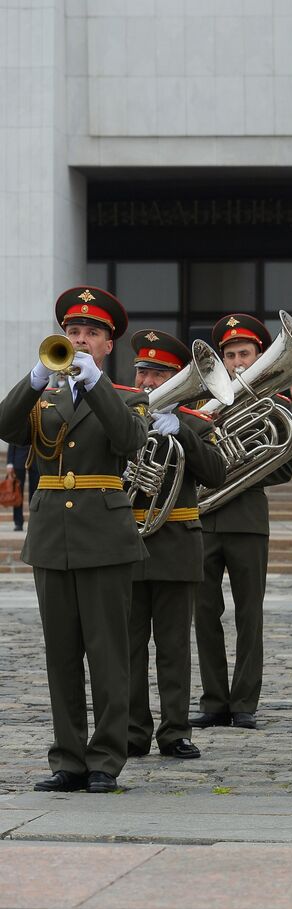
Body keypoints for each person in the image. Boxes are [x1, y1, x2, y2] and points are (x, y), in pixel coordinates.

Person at [0, 286, 146, 793]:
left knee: (108, 651)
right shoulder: (45, 395)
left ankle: (106, 758)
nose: (80, 340)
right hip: (51, 534)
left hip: (103, 534)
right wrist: (35, 378)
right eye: (73, 331)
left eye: (92, 334)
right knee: (60, 653)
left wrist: (97, 385)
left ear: (108, 346)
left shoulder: (129, 396)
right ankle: (68, 757)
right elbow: (5, 426)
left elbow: (129, 442)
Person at [123, 329, 228, 761]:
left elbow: (216, 473)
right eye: (143, 372)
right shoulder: (120, 412)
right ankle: (131, 730)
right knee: (128, 645)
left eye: (159, 373)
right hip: (127, 542)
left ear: (178, 377)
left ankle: (175, 731)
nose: (149, 382)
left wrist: (181, 431)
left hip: (176, 542)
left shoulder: (197, 421)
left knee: (173, 647)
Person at [192, 314, 292, 731]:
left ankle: (245, 703)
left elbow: (284, 467)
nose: (237, 361)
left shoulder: (275, 406)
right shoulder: (201, 404)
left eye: (245, 354)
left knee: (248, 615)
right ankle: (213, 701)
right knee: (204, 614)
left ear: (259, 357)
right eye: (231, 354)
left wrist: (234, 473)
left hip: (247, 521)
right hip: (203, 520)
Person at [6, 440, 39, 530]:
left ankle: (34, 521)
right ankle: (18, 523)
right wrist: (9, 463)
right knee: (18, 493)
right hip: (19, 461)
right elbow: (12, 441)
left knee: (35, 493)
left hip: (36, 461)